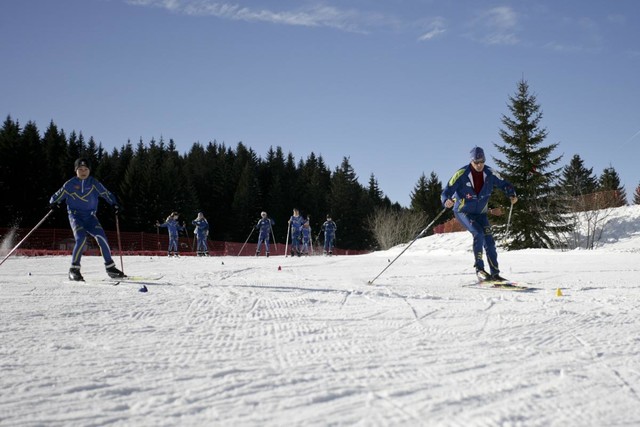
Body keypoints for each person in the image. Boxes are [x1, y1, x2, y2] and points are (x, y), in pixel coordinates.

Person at [441, 146, 518, 281]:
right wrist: (446, 200)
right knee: (478, 233)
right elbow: (446, 191)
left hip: (481, 213)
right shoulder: (461, 174)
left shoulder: (490, 173)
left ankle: (495, 273)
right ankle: (480, 270)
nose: (479, 165)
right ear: (471, 161)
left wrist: (511, 193)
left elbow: (504, 183)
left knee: (489, 241)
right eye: (476, 162)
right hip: (463, 211)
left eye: (481, 161)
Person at [49, 157, 126, 281]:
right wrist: (53, 203)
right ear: (76, 170)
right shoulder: (70, 184)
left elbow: (106, 193)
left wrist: (115, 203)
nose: (83, 171)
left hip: (90, 217)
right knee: (81, 238)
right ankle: (74, 269)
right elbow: (57, 196)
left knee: (102, 237)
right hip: (75, 216)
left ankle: (110, 268)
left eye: (86, 169)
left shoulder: (94, 183)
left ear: (89, 170)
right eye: (80, 169)